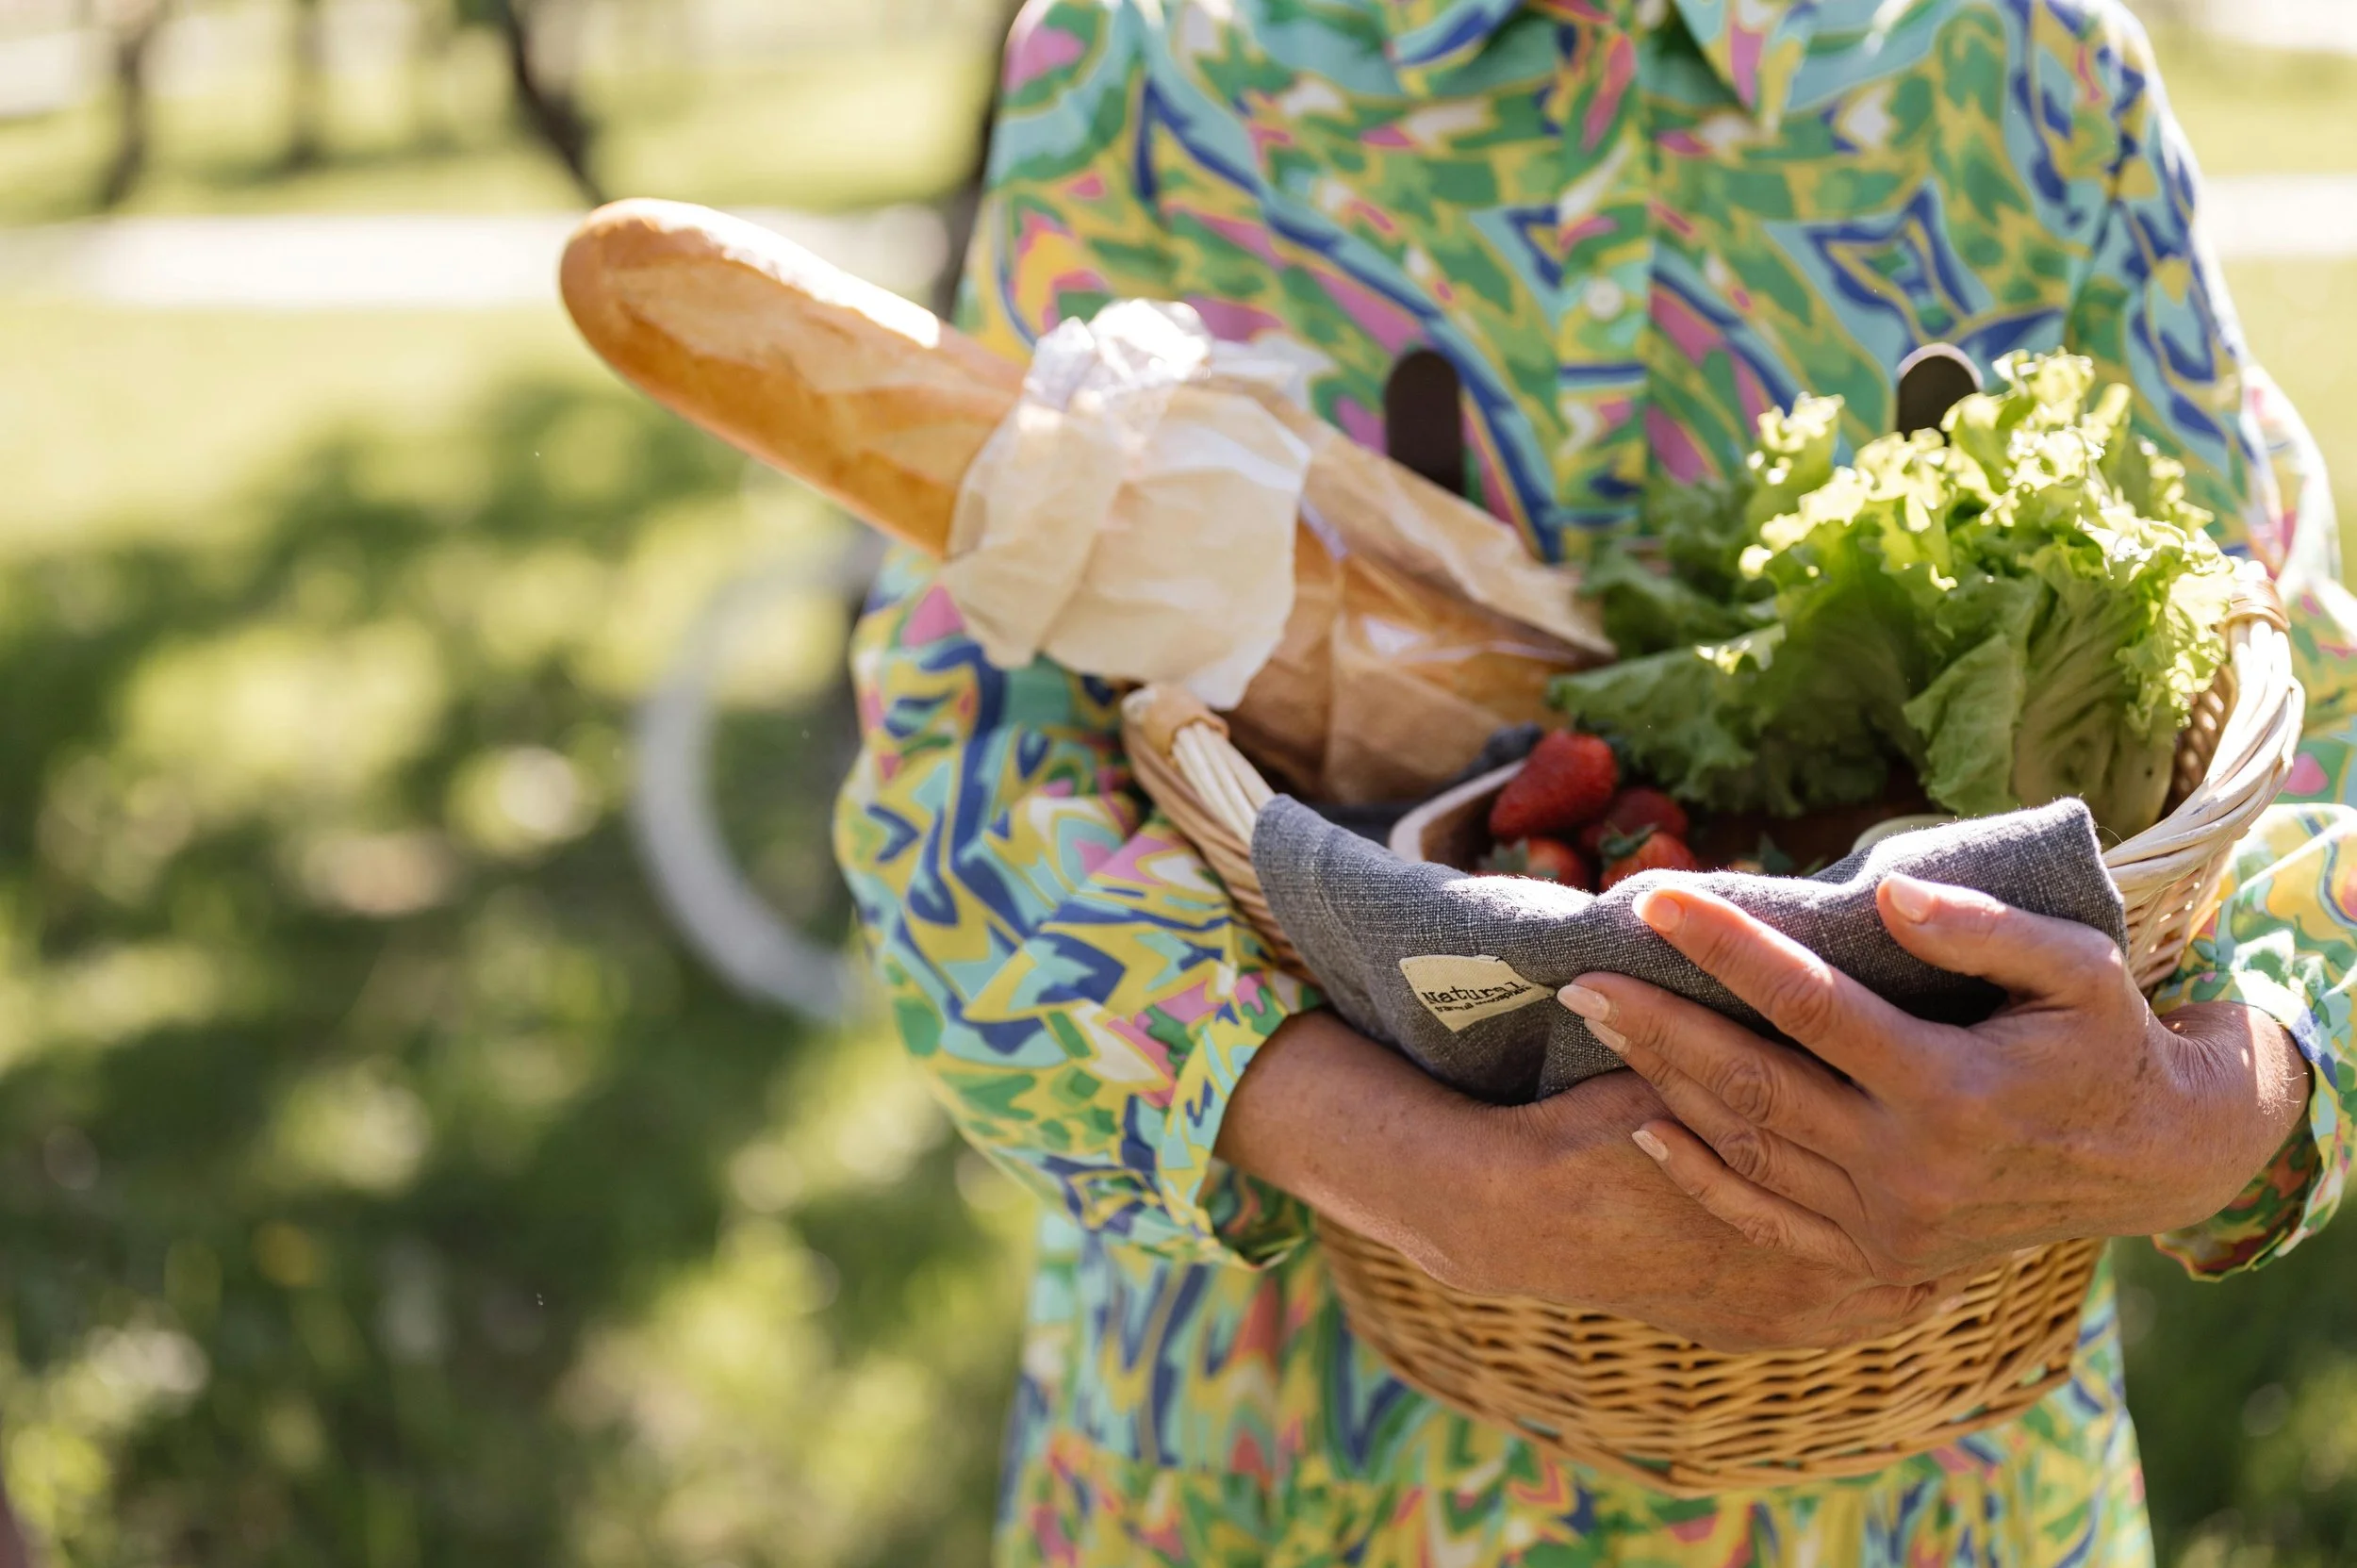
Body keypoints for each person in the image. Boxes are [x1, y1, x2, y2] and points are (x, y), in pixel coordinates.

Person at [832, 1, 2357, 1561]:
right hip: (1288, 1454)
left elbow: (2303, 729)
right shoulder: (1152, 57)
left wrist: (2184, 1114)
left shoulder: (2022, 62)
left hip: (1909, 1481)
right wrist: (1416, 1170)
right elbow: (960, 778)